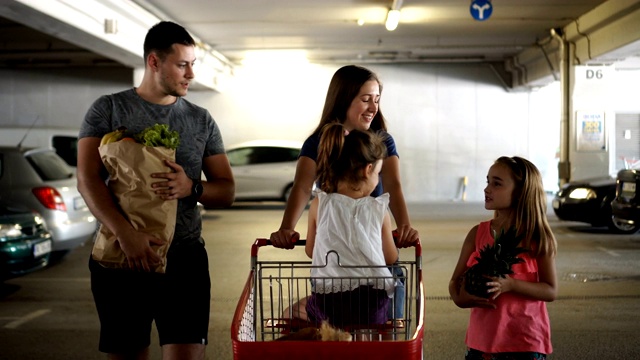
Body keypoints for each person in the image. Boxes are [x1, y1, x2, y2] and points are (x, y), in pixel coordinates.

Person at [76, 21, 234, 360]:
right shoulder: (109, 109)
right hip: (122, 258)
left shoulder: (200, 119)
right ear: (153, 62)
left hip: (185, 258)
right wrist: (125, 233)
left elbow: (227, 190)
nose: (191, 74)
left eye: (193, 64)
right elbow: (88, 178)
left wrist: (191, 187)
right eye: (182, 64)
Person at [269, 64, 419, 322]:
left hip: (372, 252)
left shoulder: (381, 139)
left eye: (377, 100)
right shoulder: (319, 141)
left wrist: (404, 226)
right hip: (337, 272)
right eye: (365, 99)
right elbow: (303, 186)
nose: (373, 107)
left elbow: (393, 184)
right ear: (343, 98)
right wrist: (286, 227)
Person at [283, 123, 398, 327]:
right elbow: (390, 257)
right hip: (372, 303)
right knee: (371, 326)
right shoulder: (378, 208)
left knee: (289, 313)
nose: (377, 179)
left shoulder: (320, 203)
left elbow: (311, 250)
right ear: (367, 169)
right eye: (378, 174)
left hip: (331, 304)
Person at [448, 156, 557, 359]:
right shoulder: (477, 234)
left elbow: (550, 290)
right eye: (487, 181)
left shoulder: (536, 238)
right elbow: (455, 282)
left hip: (525, 343)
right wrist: (461, 298)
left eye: (496, 184)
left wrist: (511, 285)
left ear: (519, 193)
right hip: (482, 343)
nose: (487, 189)